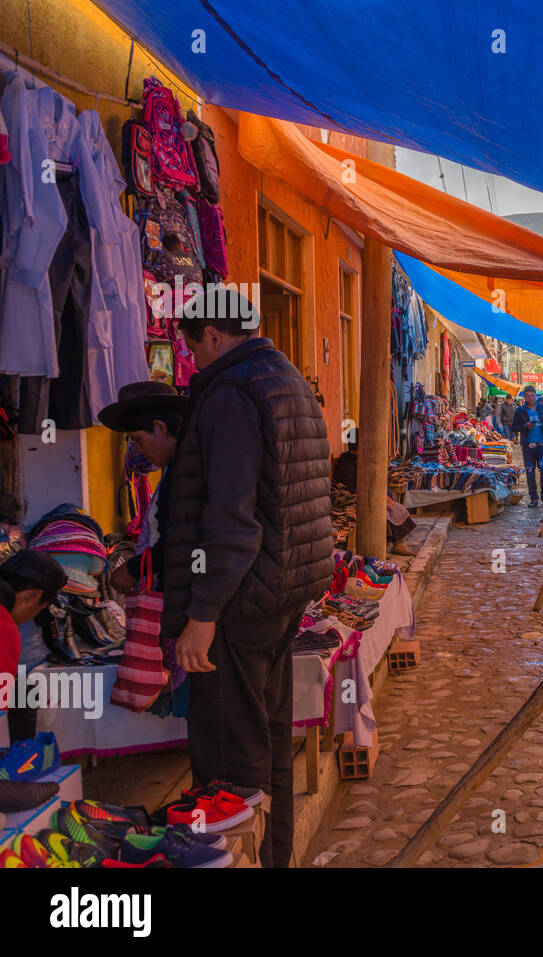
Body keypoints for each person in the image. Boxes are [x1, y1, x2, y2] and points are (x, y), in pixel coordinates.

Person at [167, 287, 334, 868]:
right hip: (282, 591)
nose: (193, 363)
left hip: (242, 601)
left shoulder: (233, 392)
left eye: (192, 350)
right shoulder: (284, 377)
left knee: (229, 765)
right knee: (269, 739)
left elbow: (231, 519)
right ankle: (276, 858)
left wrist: (203, 614)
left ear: (214, 336)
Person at [97, 381, 188, 594]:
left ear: (161, 428)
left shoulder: (188, 471)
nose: (137, 450)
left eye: (138, 440)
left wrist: (133, 569)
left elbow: (184, 537)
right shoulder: (176, 467)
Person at [0, 551, 68, 743]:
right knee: (24, 691)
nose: (34, 614)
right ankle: (14, 764)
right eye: (40, 607)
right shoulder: (4, 625)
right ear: (32, 597)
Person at [332, 441, 417, 555]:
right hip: (356, 496)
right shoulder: (347, 464)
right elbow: (349, 486)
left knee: (398, 508)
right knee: (382, 512)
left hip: (374, 495)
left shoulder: (365, 461)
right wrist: (373, 495)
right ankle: (377, 549)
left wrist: (387, 496)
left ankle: (398, 544)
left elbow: (379, 481)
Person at [511, 385, 543, 507]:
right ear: (524, 398)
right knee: (530, 473)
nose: (530, 398)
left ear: (535, 396)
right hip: (528, 447)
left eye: (532, 395)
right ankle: (533, 498)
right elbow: (514, 427)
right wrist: (525, 426)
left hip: (542, 445)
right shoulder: (520, 411)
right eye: (527, 396)